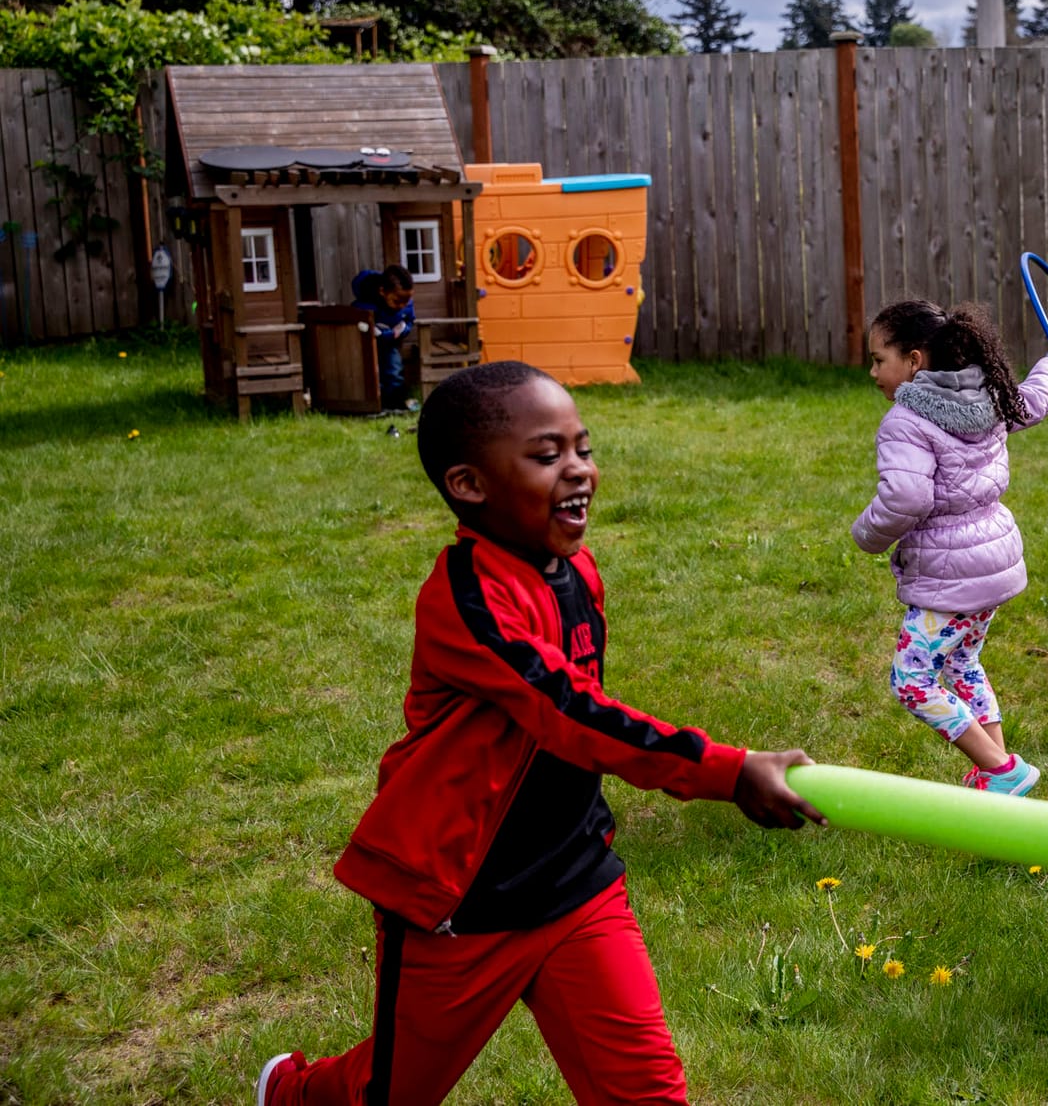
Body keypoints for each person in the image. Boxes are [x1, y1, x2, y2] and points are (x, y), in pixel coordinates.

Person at [255, 361, 822, 1105]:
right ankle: (293, 1095)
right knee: (390, 1096)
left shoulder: (574, 571)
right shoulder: (464, 600)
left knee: (648, 1097)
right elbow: (568, 710)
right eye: (548, 455)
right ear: (469, 484)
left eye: (583, 448)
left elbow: (579, 718)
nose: (579, 469)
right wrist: (725, 768)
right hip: (463, 903)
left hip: (577, 882)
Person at [851, 301, 1048, 795]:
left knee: (912, 681)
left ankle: (1004, 770)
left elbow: (907, 497)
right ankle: (996, 777)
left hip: (950, 577)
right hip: (993, 563)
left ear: (913, 361)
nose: (873, 372)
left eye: (879, 359)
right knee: (962, 664)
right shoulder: (988, 396)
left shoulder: (907, 421)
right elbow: (1035, 398)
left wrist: (865, 534)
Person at [351, 265, 415, 410]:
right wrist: (376, 331)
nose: (402, 305)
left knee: (394, 369)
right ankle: (376, 403)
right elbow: (359, 321)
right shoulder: (366, 302)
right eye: (397, 301)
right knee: (370, 372)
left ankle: (395, 403)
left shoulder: (406, 304)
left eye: (406, 301)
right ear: (382, 292)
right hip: (366, 345)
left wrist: (403, 329)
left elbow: (409, 320)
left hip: (390, 344)